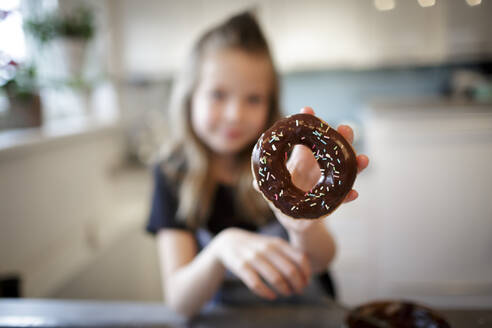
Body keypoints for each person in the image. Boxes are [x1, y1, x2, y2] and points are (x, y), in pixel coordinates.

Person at [146, 12, 369, 318]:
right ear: (189, 98)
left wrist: (302, 226)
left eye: (253, 98)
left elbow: (321, 260)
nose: (235, 114)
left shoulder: (291, 164)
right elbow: (180, 302)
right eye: (218, 94)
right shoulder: (172, 174)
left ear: (270, 104)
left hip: (307, 316)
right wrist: (220, 250)